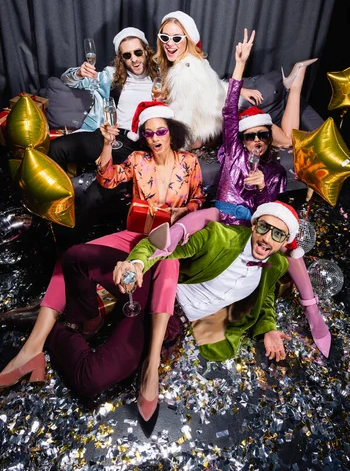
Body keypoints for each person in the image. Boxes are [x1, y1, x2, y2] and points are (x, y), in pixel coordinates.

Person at [147, 29, 330, 360]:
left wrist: (262, 190)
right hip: (221, 213)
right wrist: (239, 65)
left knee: (287, 253)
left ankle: (312, 310)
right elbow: (230, 109)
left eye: (262, 135)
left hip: (246, 229)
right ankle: (161, 250)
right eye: (251, 135)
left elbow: (267, 215)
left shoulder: (274, 172)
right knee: (200, 218)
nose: (256, 140)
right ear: (242, 138)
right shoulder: (232, 150)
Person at [0, 102, 205, 390]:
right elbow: (107, 179)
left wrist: (185, 211)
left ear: (171, 132)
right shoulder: (137, 159)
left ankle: (152, 364)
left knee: (167, 279)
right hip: (135, 233)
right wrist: (107, 144)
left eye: (160, 131)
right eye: (148, 133)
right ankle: (32, 349)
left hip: (167, 240)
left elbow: (198, 197)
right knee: (69, 259)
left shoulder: (189, 162)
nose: (155, 138)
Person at [112, 200, 301, 421]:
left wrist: (269, 328)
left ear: (285, 242)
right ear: (253, 225)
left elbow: (266, 294)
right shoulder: (219, 237)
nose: (267, 238)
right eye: (263, 228)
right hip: (166, 299)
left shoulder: (278, 264)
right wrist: (137, 262)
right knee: (115, 367)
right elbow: (165, 246)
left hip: (195, 324)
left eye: (278, 234)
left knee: (132, 360)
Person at [48, 28, 161, 242]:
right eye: (127, 55)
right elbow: (68, 80)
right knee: (56, 148)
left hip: (137, 146)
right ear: (121, 58)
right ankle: (53, 212)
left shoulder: (162, 79)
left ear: (147, 51)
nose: (134, 60)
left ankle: (69, 245)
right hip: (108, 134)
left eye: (138, 53)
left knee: (95, 195)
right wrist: (79, 73)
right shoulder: (111, 76)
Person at [153, 10, 263, 149]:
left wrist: (174, 152)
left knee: (284, 139)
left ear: (188, 39)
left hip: (225, 125)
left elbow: (182, 123)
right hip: (221, 122)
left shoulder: (184, 71)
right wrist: (238, 90)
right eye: (164, 37)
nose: (169, 43)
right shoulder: (195, 61)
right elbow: (212, 86)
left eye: (176, 38)